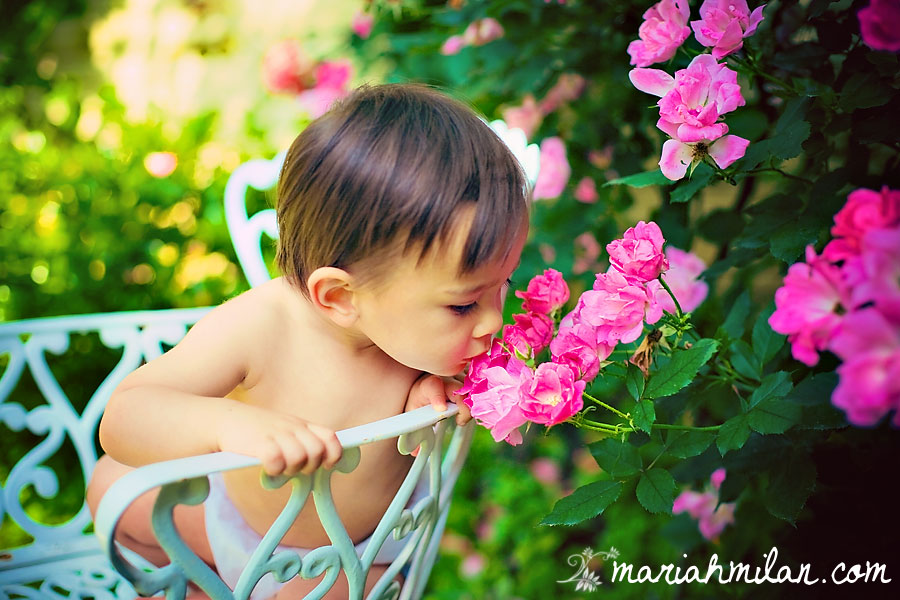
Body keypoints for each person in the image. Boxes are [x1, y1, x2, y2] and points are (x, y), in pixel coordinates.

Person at [86, 83, 529, 599]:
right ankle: (190, 583)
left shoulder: (418, 340)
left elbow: (424, 394)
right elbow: (124, 416)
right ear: (341, 297)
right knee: (112, 485)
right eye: (462, 304)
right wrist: (231, 424)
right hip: (223, 520)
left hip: (339, 557)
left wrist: (430, 388)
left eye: (504, 286)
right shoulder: (261, 325)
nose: (492, 321)